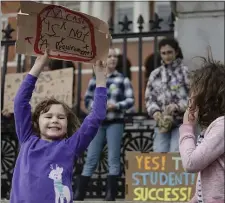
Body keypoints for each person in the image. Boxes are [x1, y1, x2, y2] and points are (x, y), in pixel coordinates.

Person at [10, 49, 108, 203]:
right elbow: (20, 103)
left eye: (61, 117)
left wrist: (101, 79)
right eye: (48, 116)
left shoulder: (71, 146)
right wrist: (38, 66)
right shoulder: (27, 139)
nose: (54, 120)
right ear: (36, 122)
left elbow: (96, 116)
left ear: (67, 123)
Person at [74, 47, 135, 201]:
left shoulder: (123, 79)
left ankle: (110, 194)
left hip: (115, 122)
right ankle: (79, 193)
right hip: (98, 124)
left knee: (113, 157)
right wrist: (95, 107)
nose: (113, 59)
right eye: (109, 56)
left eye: (115, 56)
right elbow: (87, 99)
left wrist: (117, 105)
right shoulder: (94, 79)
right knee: (91, 157)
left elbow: (130, 100)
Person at [179, 53, 225, 203]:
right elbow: (210, 176)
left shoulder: (222, 126)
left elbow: (191, 163)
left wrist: (187, 128)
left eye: (195, 90)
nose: (191, 97)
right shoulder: (215, 126)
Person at [145, 38, 189, 152]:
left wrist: (177, 106)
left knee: (175, 153)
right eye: (163, 53)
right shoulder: (155, 74)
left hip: (181, 122)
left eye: (169, 52)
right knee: (159, 155)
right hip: (162, 124)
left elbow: (193, 97)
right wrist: (155, 112)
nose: (167, 56)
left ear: (176, 52)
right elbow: (149, 98)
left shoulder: (185, 72)